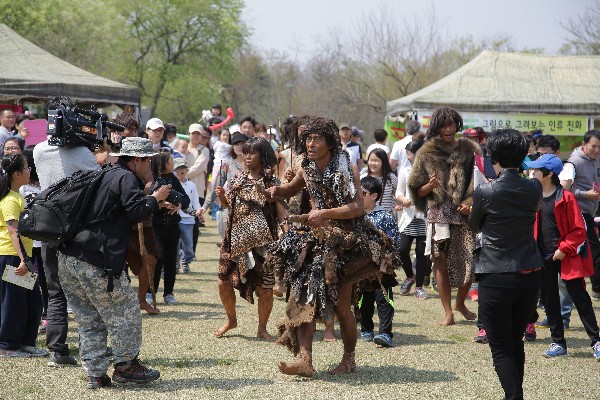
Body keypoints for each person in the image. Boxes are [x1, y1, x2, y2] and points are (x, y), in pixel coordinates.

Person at [266, 117, 397, 377]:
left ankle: (349, 359)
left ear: (330, 142)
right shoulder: (306, 166)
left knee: (341, 306)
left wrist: (325, 213)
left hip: (346, 240)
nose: (311, 144)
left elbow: (357, 207)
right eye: (308, 139)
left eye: (317, 139)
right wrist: (274, 190)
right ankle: (305, 360)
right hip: (315, 240)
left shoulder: (346, 167)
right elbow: (290, 190)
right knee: (303, 296)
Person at [58, 137, 170, 388]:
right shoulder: (126, 177)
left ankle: (96, 374)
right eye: (148, 160)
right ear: (138, 159)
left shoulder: (103, 173)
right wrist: (154, 198)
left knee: (89, 320)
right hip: (96, 261)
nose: (150, 165)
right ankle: (126, 366)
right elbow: (136, 211)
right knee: (127, 312)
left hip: (69, 257)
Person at [468, 128, 544, 400]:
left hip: (495, 273)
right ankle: (515, 394)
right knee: (515, 342)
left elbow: (474, 224)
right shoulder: (533, 187)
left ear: (493, 157)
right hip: (528, 273)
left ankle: (514, 397)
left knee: (500, 348)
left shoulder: (485, 191)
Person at [33, 97, 101, 367]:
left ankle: (57, 350)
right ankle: (92, 347)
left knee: (55, 290)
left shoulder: (38, 150)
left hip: (48, 226)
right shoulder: (83, 154)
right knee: (87, 290)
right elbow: (96, 182)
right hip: (77, 229)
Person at [408, 106, 478, 326]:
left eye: (452, 124)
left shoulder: (469, 149)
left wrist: (470, 204)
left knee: (469, 260)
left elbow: (476, 182)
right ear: (436, 128)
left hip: (464, 214)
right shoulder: (426, 152)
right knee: (440, 261)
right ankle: (448, 311)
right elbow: (416, 190)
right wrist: (429, 186)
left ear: (458, 125)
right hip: (438, 214)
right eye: (443, 125)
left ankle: (460, 303)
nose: (448, 129)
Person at [525, 153, 600, 360]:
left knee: (581, 299)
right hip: (543, 258)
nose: (532, 173)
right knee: (549, 301)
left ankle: (596, 341)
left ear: (548, 174)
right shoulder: (535, 197)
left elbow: (578, 230)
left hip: (567, 256)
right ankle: (558, 342)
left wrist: (563, 249)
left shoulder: (566, 198)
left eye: (536, 170)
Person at [214, 137, 286, 341]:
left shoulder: (272, 182)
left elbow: (281, 211)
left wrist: (287, 234)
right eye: (245, 152)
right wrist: (222, 197)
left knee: (265, 289)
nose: (247, 156)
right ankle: (231, 320)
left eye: (252, 152)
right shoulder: (237, 178)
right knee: (223, 282)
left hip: (264, 244)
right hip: (234, 241)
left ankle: (262, 329)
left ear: (262, 156)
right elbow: (228, 205)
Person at [0, 154, 46, 358]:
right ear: (17, 173)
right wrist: (23, 260)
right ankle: (7, 345)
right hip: (11, 257)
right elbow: (12, 231)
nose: (29, 171)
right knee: (13, 303)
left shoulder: (17, 196)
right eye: (26, 168)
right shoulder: (10, 199)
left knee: (33, 302)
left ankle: (26, 342)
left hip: (20, 257)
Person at [359, 176, 400, 348]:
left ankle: (385, 333)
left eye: (363, 193)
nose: (359, 196)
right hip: (361, 268)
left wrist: (386, 258)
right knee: (363, 300)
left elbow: (395, 240)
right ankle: (366, 328)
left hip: (382, 268)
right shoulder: (355, 215)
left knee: (384, 299)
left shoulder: (385, 216)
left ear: (374, 196)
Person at [561, 130, 600, 301]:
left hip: (591, 211)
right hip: (578, 212)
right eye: (593, 146)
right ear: (583, 145)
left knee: (587, 252)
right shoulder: (574, 162)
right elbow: (564, 189)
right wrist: (585, 194)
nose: (597, 150)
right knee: (594, 251)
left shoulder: (597, 159)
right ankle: (596, 289)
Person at [150, 151, 190, 305]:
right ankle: (149, 292)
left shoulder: (173, 178)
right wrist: (161, 204)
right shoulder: (152, 179)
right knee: (157, 258)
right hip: (157, 227)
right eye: (171, 160)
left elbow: (185, 199)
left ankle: (168, 294)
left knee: (171, 260)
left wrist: (178, 205)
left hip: (173, 227)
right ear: (163, 163)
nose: (173, 163)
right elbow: (147, 199)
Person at [396, 139, 430, 299]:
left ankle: (419, 287)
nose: (408, 157)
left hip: (424, 218)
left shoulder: (429, 171)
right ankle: (410, 276)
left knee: (422, 253)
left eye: (410, 153)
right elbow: (398, 192)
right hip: (408, 217)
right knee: (402, 250)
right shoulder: (404, 170)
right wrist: (403, 200)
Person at [174, 158, 202, 273]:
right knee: (175, 244)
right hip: (175, 218)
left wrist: (199, 211)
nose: (181, 170)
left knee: (189, 246)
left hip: (189, 220)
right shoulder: (172, 184)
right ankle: (176, 263)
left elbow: (195, 201)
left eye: (183, 168)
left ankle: (186, 261)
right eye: (178, 168)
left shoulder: (191, 185)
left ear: (187, 170)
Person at [360, 148, 397, 214]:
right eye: (371, 160)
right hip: (366, 217)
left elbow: (397, 194)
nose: (373, 163)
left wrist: (398, 204)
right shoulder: (363, 176)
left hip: (385, 218)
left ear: (384, 162)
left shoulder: (391, 178)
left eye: (376, 160)